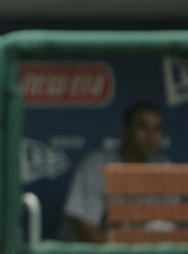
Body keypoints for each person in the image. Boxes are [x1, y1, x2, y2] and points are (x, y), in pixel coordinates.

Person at [60, 103, 169, 242]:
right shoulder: (96, 166)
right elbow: (86, 228)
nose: (151, 136)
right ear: (125, 132)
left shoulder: (165, 168)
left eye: (157, 128)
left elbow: (168, 228)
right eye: (143, 127)